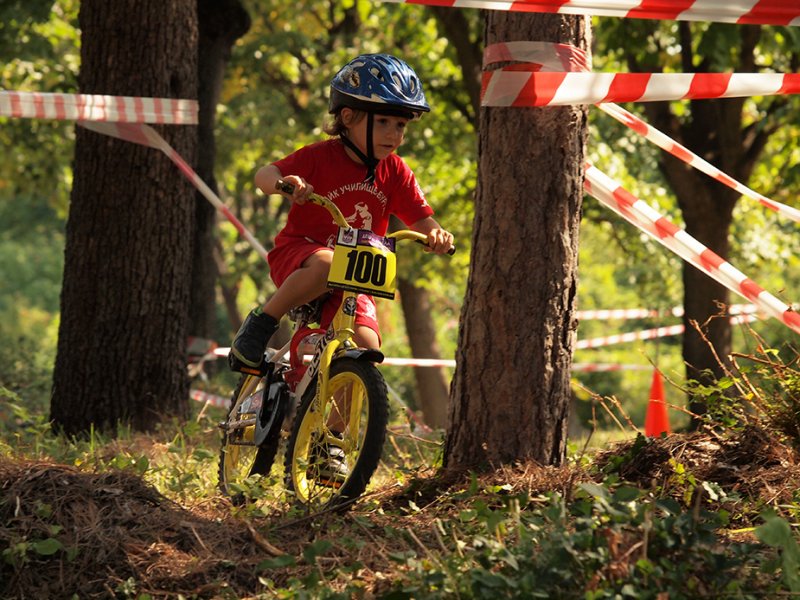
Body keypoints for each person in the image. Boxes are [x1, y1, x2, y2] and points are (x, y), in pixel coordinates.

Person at [229, 53, 454, 369]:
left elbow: (423, 220)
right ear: (348, 118)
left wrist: (437, 235)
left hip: (356, 276)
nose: (394, 134)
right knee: (328, 265)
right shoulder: (320, 156)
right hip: (302, 255)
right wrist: (285, 184)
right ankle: (260, 324)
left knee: (367, 346)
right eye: (384, 122)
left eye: (401, 124)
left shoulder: (397, 172)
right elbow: (263, 175)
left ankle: (338, 417)